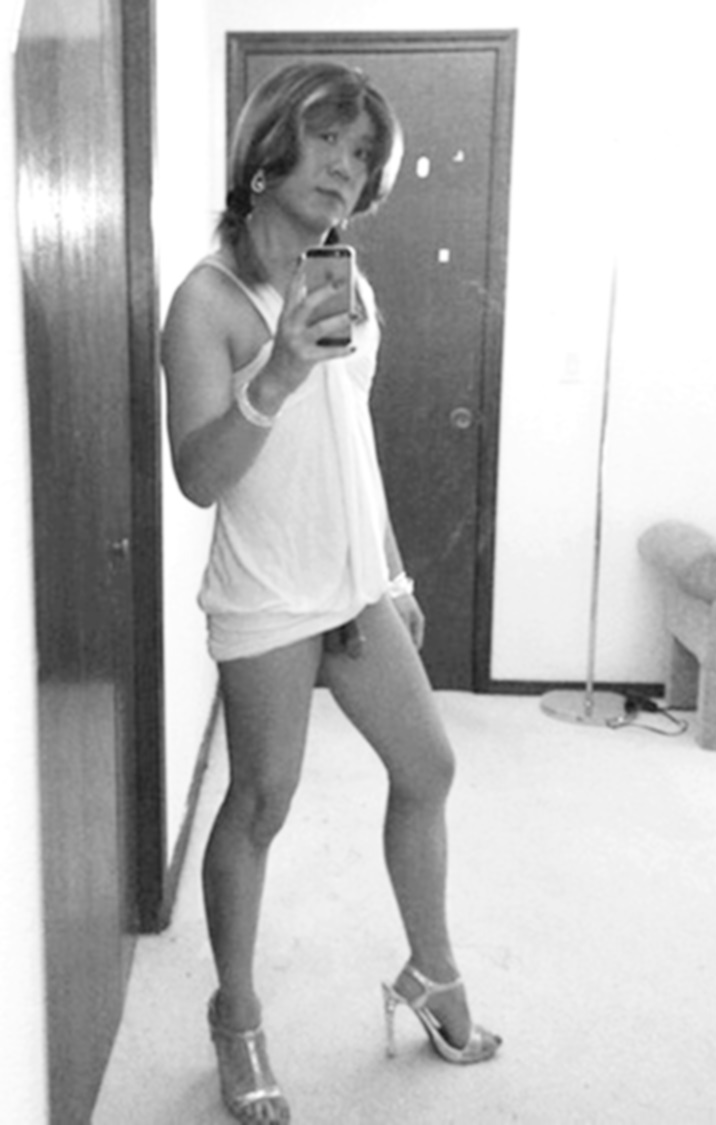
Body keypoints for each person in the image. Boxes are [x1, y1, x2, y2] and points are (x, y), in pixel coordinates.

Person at [161, 61, 501, 1125]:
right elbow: (199, 477)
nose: (346, 168)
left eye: (362, 154)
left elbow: (352, 444)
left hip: (355, 588)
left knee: (429, 767)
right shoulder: (206, 302)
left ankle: (430, 973)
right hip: (268, 593)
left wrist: (390, 572)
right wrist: (274, 375)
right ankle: (236, 1016)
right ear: (269, 149)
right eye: (327, 141)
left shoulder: (346, 285)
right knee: (261, 805)